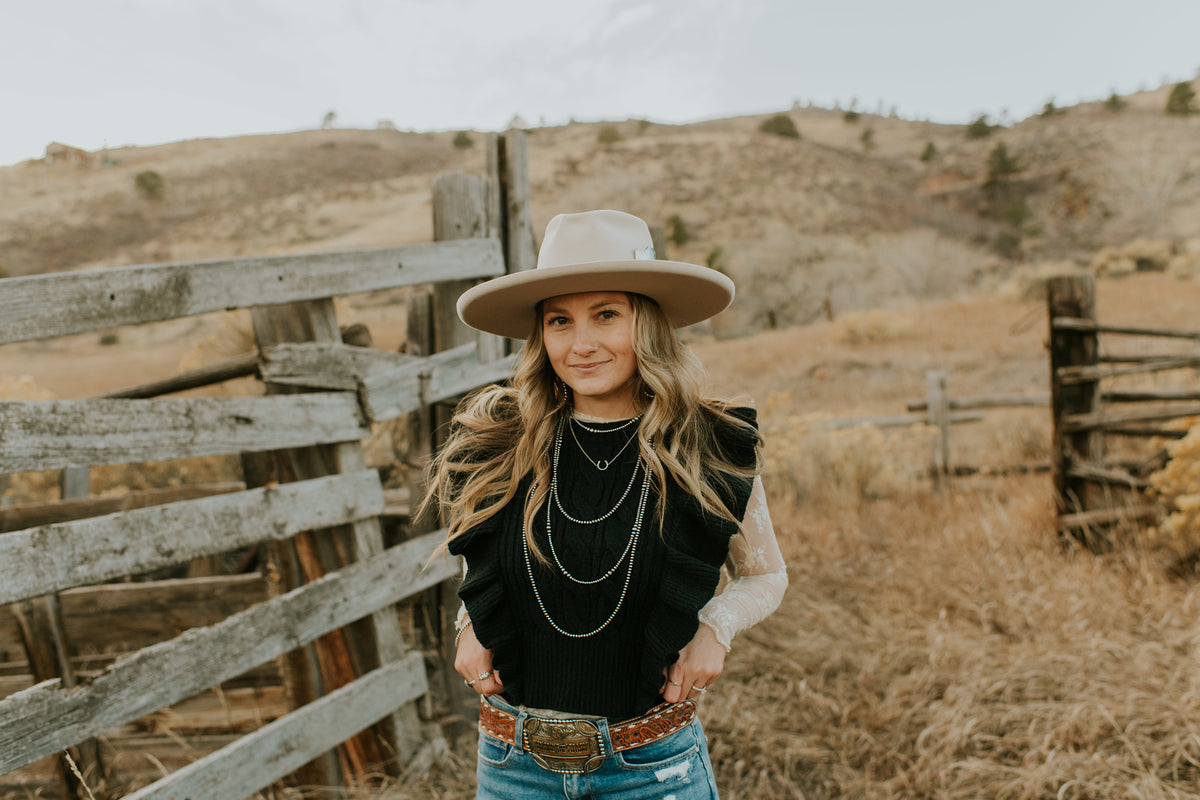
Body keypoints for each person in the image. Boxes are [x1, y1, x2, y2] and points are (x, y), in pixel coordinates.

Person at [424, 209, 787, 799]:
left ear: (647, 323)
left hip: (649, 769)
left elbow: (767, 574)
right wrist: (469, 621)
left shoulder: (708, 446)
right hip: (515, 767)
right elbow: (483, 563)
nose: (582, 344)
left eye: (607, 315)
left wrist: (714, 629)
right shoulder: (496, 442)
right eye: (560, 321)